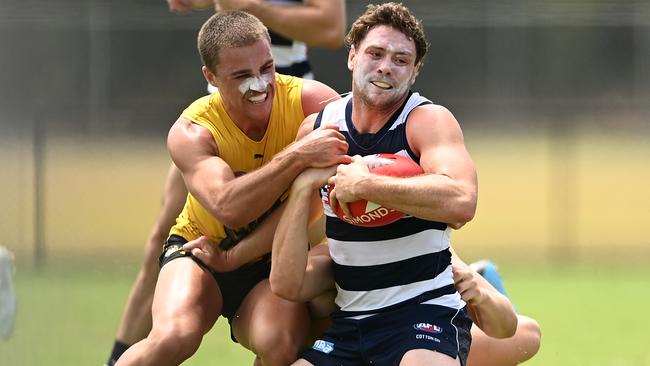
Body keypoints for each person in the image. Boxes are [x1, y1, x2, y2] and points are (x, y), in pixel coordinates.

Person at [269, 3, 520, 365]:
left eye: (401, 60)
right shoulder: (318, 128)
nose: (386, 66)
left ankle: (481, 291)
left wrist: (368, 185)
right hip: (349, 323)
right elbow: (287, 283)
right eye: (375, 53)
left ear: (415, 72)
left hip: (423, 315)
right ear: (352, 57)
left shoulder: (425, 121)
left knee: (521, 335)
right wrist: (301, 187)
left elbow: (462, 201)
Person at [104, 1, 346, 365]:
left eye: (266, 68)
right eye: (241, 75)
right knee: (174, 336)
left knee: (280, 341)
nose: (260, 85)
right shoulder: (193, 131)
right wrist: (297, 156)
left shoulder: (313, 105)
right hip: (200, 250)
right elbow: (229, 208)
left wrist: (237, 256)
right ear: (211, 77)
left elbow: (308, 202)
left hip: (267, 260)